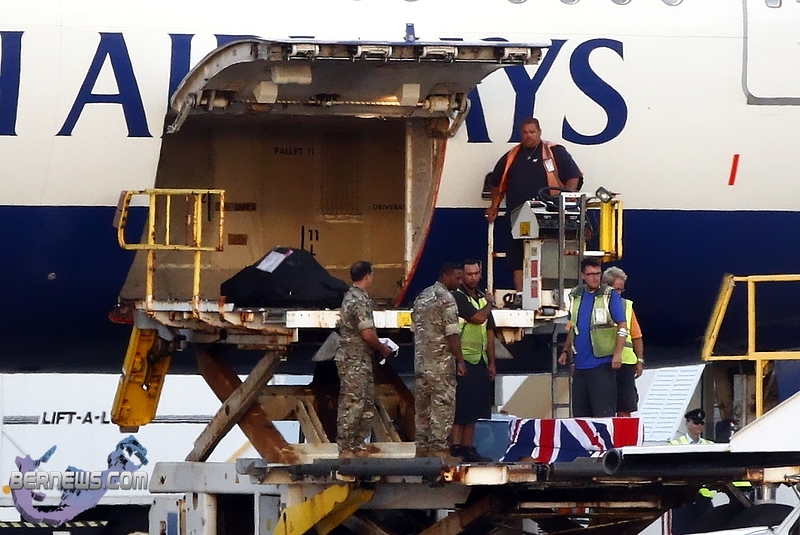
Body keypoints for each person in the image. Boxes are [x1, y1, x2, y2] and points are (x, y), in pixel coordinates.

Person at [484, 118, 582, 305]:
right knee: (517, 256)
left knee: (548, 254)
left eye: (532, 132)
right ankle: (521, 294)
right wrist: (494, 206)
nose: (528, 136)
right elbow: (496, 182)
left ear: (539, 132)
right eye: (525, 132)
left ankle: (552, 295)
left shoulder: (555, 152)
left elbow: (573, 176)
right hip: (518, 217)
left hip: (549, 215)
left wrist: (566, 199)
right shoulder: (512, 156)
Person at [335, 261, 393, 458]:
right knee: (353, 402)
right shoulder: (359, 300)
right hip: (354, 359)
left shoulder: (352, 297)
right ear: (368, 276)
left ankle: (357, 445)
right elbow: (367, 333)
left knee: (365, 403)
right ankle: (346, 447)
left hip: (359, 359)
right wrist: (382, 347)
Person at [558, 257, 627, 417]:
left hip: (602, 365)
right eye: (590, 274)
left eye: (597, 274)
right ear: (583, 275)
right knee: (581, 418)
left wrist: (618, 354)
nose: (595, 278)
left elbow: (622, 326)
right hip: (580, 367)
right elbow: (573, 326)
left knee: (603, 415)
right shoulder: (576, 295)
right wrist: (565, 351)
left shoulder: (609, 295)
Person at [413, 262, 468, 461]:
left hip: (421, 363)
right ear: (445, 275)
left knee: (422, 409)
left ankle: (421, 450)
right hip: (440, 364)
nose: (460, 282)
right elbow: (452, 334)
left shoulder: (422, 297)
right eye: (457, 277)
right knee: (442, 406)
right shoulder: (447, 299)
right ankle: (439, 450)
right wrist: (460, 360)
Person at [450, 259, 497, 463]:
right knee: (460, 408)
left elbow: (490, 332)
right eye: (469, 274)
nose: (474, 278)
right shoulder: (458, 297)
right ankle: (455, 447)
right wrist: (490, 303)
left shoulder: (480, 298)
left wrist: (492, 363)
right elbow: (478, 318)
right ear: (462, 276)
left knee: (475, 408)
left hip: (479, 360)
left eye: (476, 273)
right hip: (463, 359)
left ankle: (468, 447)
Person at [602, 267, 644, 417]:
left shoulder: (626, 306)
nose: (619, 293)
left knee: (625, 406)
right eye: (617, 289)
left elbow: (636, 336)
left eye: (621, 289)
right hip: (602, 362)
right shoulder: (595, 305)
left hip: (625, 363)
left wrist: (639, 360)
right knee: (603, 407)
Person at [670, 408, 714, 535]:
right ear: (687, 423)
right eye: (695, 422)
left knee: (708, 531)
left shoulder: (710, 445)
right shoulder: (675, 445)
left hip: (703, 498)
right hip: (683, 498)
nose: (699, 426)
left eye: (701, 423)